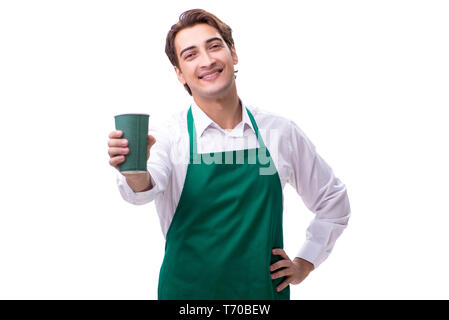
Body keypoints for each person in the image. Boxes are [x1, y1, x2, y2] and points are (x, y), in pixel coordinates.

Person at [107, 9, 350, 300]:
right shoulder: (168, 136)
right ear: (179, 73)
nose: (207, 61)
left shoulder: (279, 132)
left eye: (214, 46)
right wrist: (133, 167)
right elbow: (142, 191)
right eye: (190, 54)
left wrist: (304, 263)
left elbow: (333, 201)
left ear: (233, 53)